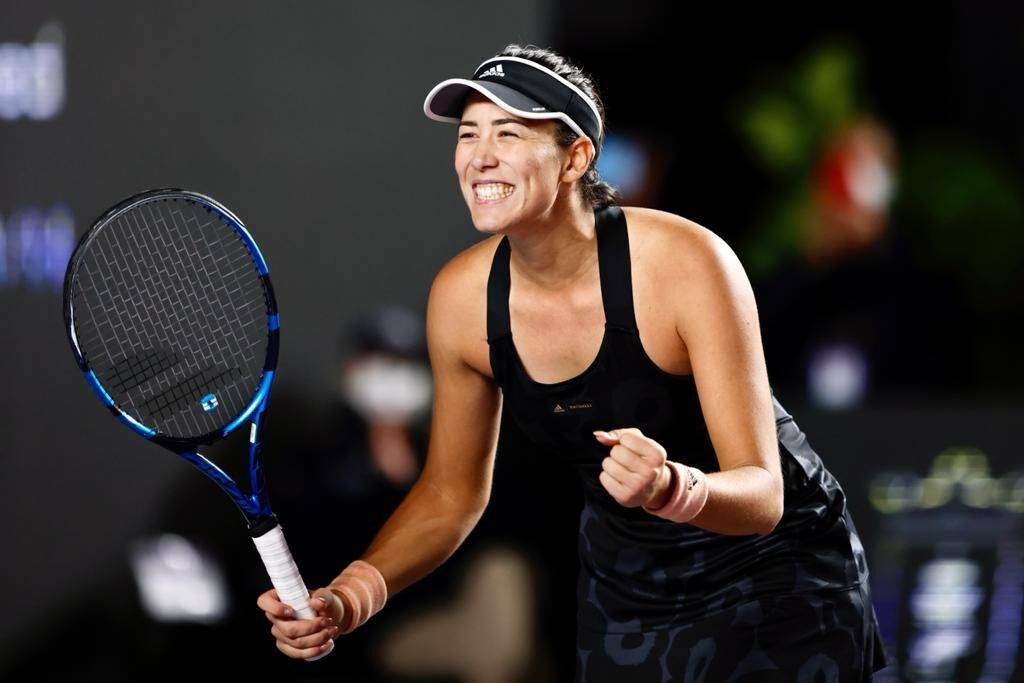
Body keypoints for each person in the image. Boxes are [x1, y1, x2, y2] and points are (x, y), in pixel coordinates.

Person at [257, 44, 890, 681]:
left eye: (508, 133)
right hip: (630, 587)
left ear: (575, 158)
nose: (480, 155)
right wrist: (348, 598)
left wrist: (671, 487)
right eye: (469, 133)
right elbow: (451, 493)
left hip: (779, 572)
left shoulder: (686, 263)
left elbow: (763, 495)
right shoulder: (461, 301)